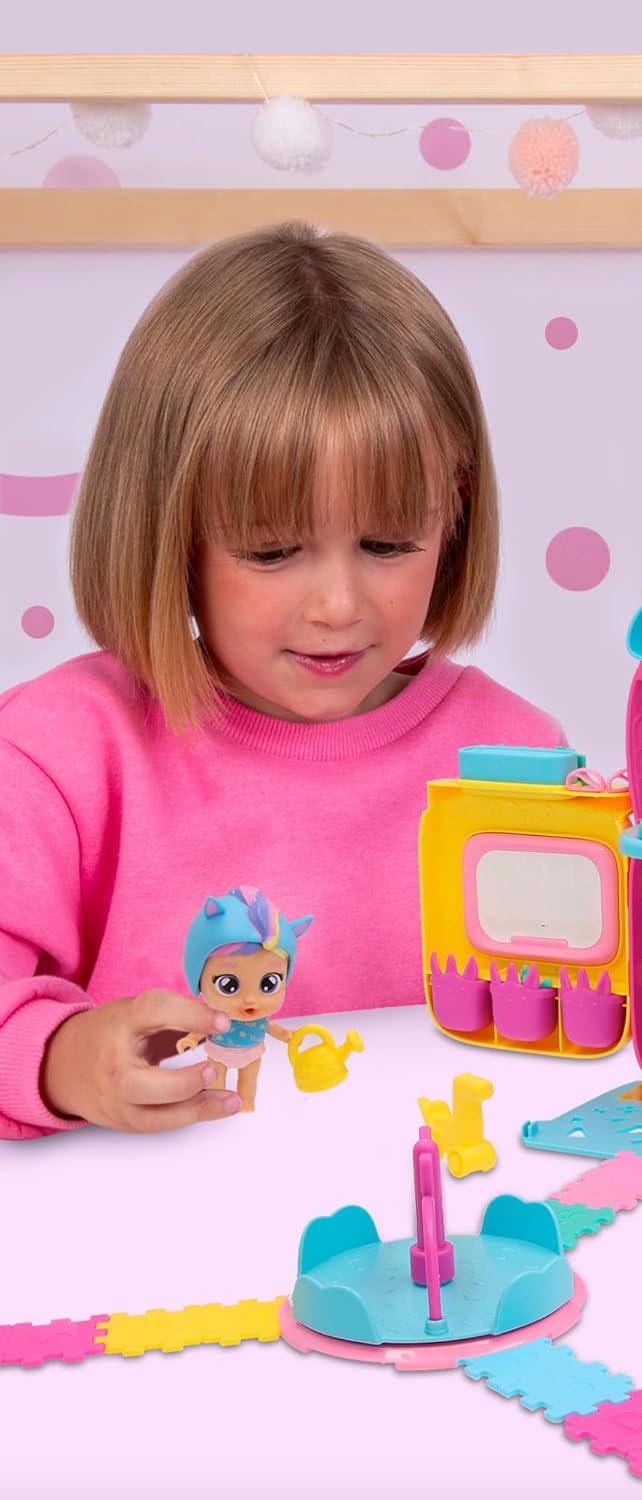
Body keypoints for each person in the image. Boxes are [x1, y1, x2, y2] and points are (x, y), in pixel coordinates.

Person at [0, 221, 562, 1138]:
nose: (338, 605)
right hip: (150, 1221)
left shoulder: (514, 763)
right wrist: (63, 1060)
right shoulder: (60, 754)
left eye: (388, 543)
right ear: (168, 529)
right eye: (270, 552)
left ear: (456, 507)